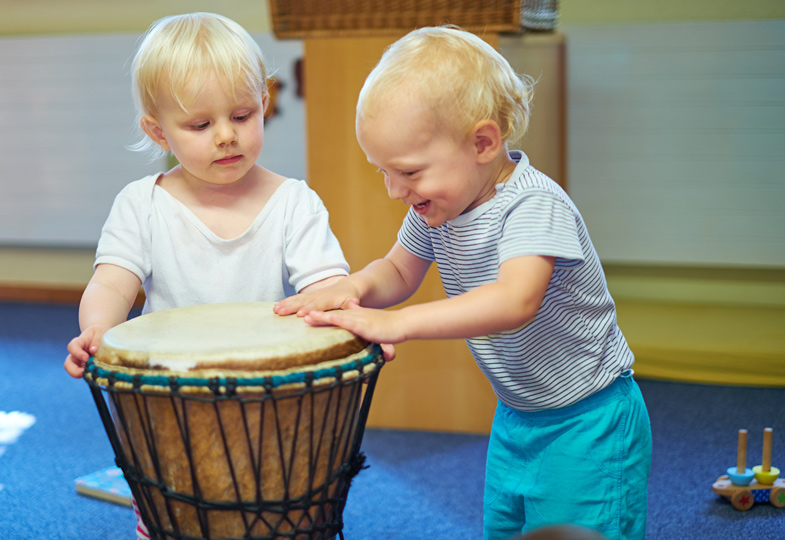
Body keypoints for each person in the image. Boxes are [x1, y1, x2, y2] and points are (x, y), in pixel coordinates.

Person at [274, 26, 652, 540]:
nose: (393, 190)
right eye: (382, 172)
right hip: (518, 414)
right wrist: (355, 288)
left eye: (407, 171)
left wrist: (400, 323)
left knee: (576, 533)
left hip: (590, 420)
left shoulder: (534, 205)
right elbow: (399, 269)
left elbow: (514, 300)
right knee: (507, 529)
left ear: (482, 142)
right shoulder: (438, 210)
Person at [63, 13, 350, 537]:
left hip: (266, 399)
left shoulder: (294, 202)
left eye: (242, 115)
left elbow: (327, 287)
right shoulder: (141, 204)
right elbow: (111, 282)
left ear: (264, 101)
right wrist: (98, 329)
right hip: (168, 401)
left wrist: (349, 323)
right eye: (199, 125)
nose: (225, 136)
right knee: (174, 513)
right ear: (158, 131)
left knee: (272, 509)